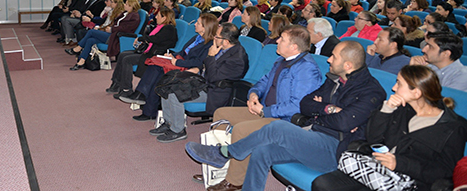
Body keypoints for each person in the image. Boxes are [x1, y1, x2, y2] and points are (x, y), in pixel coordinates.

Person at [184, 41, 386, 191]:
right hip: (313, 135)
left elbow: (343, 123)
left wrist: (321, 109)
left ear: (348, 65)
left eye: (333, 57)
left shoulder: (372, 91)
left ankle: (223, 154)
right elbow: (306, 104)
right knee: (263, 152)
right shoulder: (334, 79)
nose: (328, 59)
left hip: (334, 149)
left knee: (276, 128)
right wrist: (329, 109)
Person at [197, 24, 325, 190]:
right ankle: (220, 167)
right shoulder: (281, 60)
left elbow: (297, 106)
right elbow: (264, 81)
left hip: (281, 119)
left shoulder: (307, 69)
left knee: (241, 130)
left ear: (294, 47)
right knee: (222, 113)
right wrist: (253, 94)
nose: (277, 40)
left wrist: (265, 111)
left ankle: (235, 181)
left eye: (282, 39)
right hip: (264, 110)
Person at [312, 65, 467, 191]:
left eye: (399, 84)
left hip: (410, 180)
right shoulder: (400, 109)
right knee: (322, 183)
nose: (393, 88)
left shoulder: (453, 127)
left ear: (417, 93)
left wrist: (399, 163)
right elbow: (373, 140)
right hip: (377, 170)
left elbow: (445, 171)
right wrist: (386, 109)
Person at [152, 23, 248, 143]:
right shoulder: (224, 48)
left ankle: (178, 130)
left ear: (226, 41)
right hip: (203, 82)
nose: (214, 38)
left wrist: (210, 56)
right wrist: (199, 69)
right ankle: (168, 122)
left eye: (217, 37)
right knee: (167, 85)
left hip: (215, 91)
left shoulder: (237, 59)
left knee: (174, 95)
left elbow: (214, 77)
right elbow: (206, 67)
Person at [119, 13, 218, 121]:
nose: (195, 24)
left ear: (205, 27)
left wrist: (177, 62)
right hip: (180, 63)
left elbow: (199, 62)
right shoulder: (196, 38)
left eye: (198, 23)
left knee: (160, 72)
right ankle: (143, 99)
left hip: (190, 69)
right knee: (155, 66)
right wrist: (172, 56)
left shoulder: (210, 44)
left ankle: (144, 102)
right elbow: (183, 52)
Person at [108, 8, 178, 98]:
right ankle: (117, 84)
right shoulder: (160, 27)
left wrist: (142, 38)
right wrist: (144, 39)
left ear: (164, 18)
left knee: (127, 60)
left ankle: (127, 90)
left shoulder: (169, 29)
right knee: (122, 55)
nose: (156, 17)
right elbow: (152, 39)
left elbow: (155, 39)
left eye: (158, 15)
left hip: (154, 55)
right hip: (149, 51)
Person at [67, 0, 141, 70]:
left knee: (91, 32)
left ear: (131, 6)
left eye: (126, 4)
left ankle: (78, 48)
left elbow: (126, 29)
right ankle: (81, 61)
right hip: (113, 34)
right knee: (90, 40)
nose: (124, 4)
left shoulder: (134, 17)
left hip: (118, 38)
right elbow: (116, 24)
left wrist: (112, 29)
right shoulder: (125, 13)